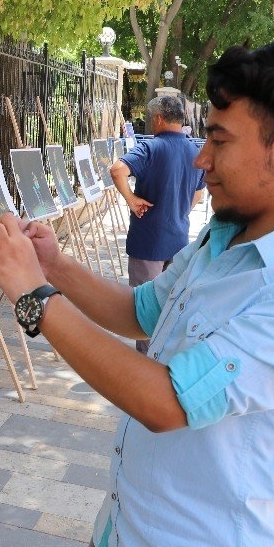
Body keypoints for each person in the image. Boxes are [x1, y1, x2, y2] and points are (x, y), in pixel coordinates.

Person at [0, 31, 274, 547]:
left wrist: (34, 299)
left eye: (218, 140)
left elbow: (166, 401)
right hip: (125, 538)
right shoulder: (226, 235)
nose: (200, 158)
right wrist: (54, 266)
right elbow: (141, 311)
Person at [109, 95, 206, 353]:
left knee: (143, 309)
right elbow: (199, 192)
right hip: (178, 240)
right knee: (171, 305)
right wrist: (180, 208)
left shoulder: (151, 148)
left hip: (148, 240)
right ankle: (165, 357)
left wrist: (131, 199)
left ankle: (147, 364)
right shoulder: (194, 150)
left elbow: (117, 170)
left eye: (151, 118)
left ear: (159, 118)